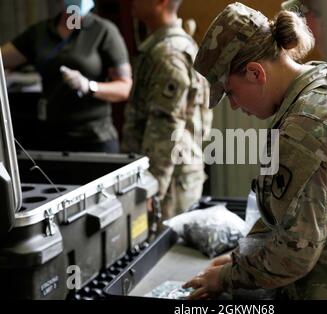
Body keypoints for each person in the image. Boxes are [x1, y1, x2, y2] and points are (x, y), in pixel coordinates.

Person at [183, 3, 327, 300]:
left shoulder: (303, 130)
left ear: (255, 73)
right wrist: (243, 258)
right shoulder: (319, 79)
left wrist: (227, 278)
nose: (235, 105)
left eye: (231, 93)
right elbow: (287, 212)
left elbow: (294, 255)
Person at [1, 0, 132, 153]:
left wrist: (89, 86)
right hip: (51, 139)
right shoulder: (40, 32)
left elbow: (124, 88)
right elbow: (3, 58)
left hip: (94, 138)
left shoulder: (103, 31)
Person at [121, 0, 212, 221]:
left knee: (162, 252)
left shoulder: (168, 54)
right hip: (174, 177)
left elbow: (166, 127)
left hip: (168, 182)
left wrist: (151, 189)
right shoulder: (170, 45)